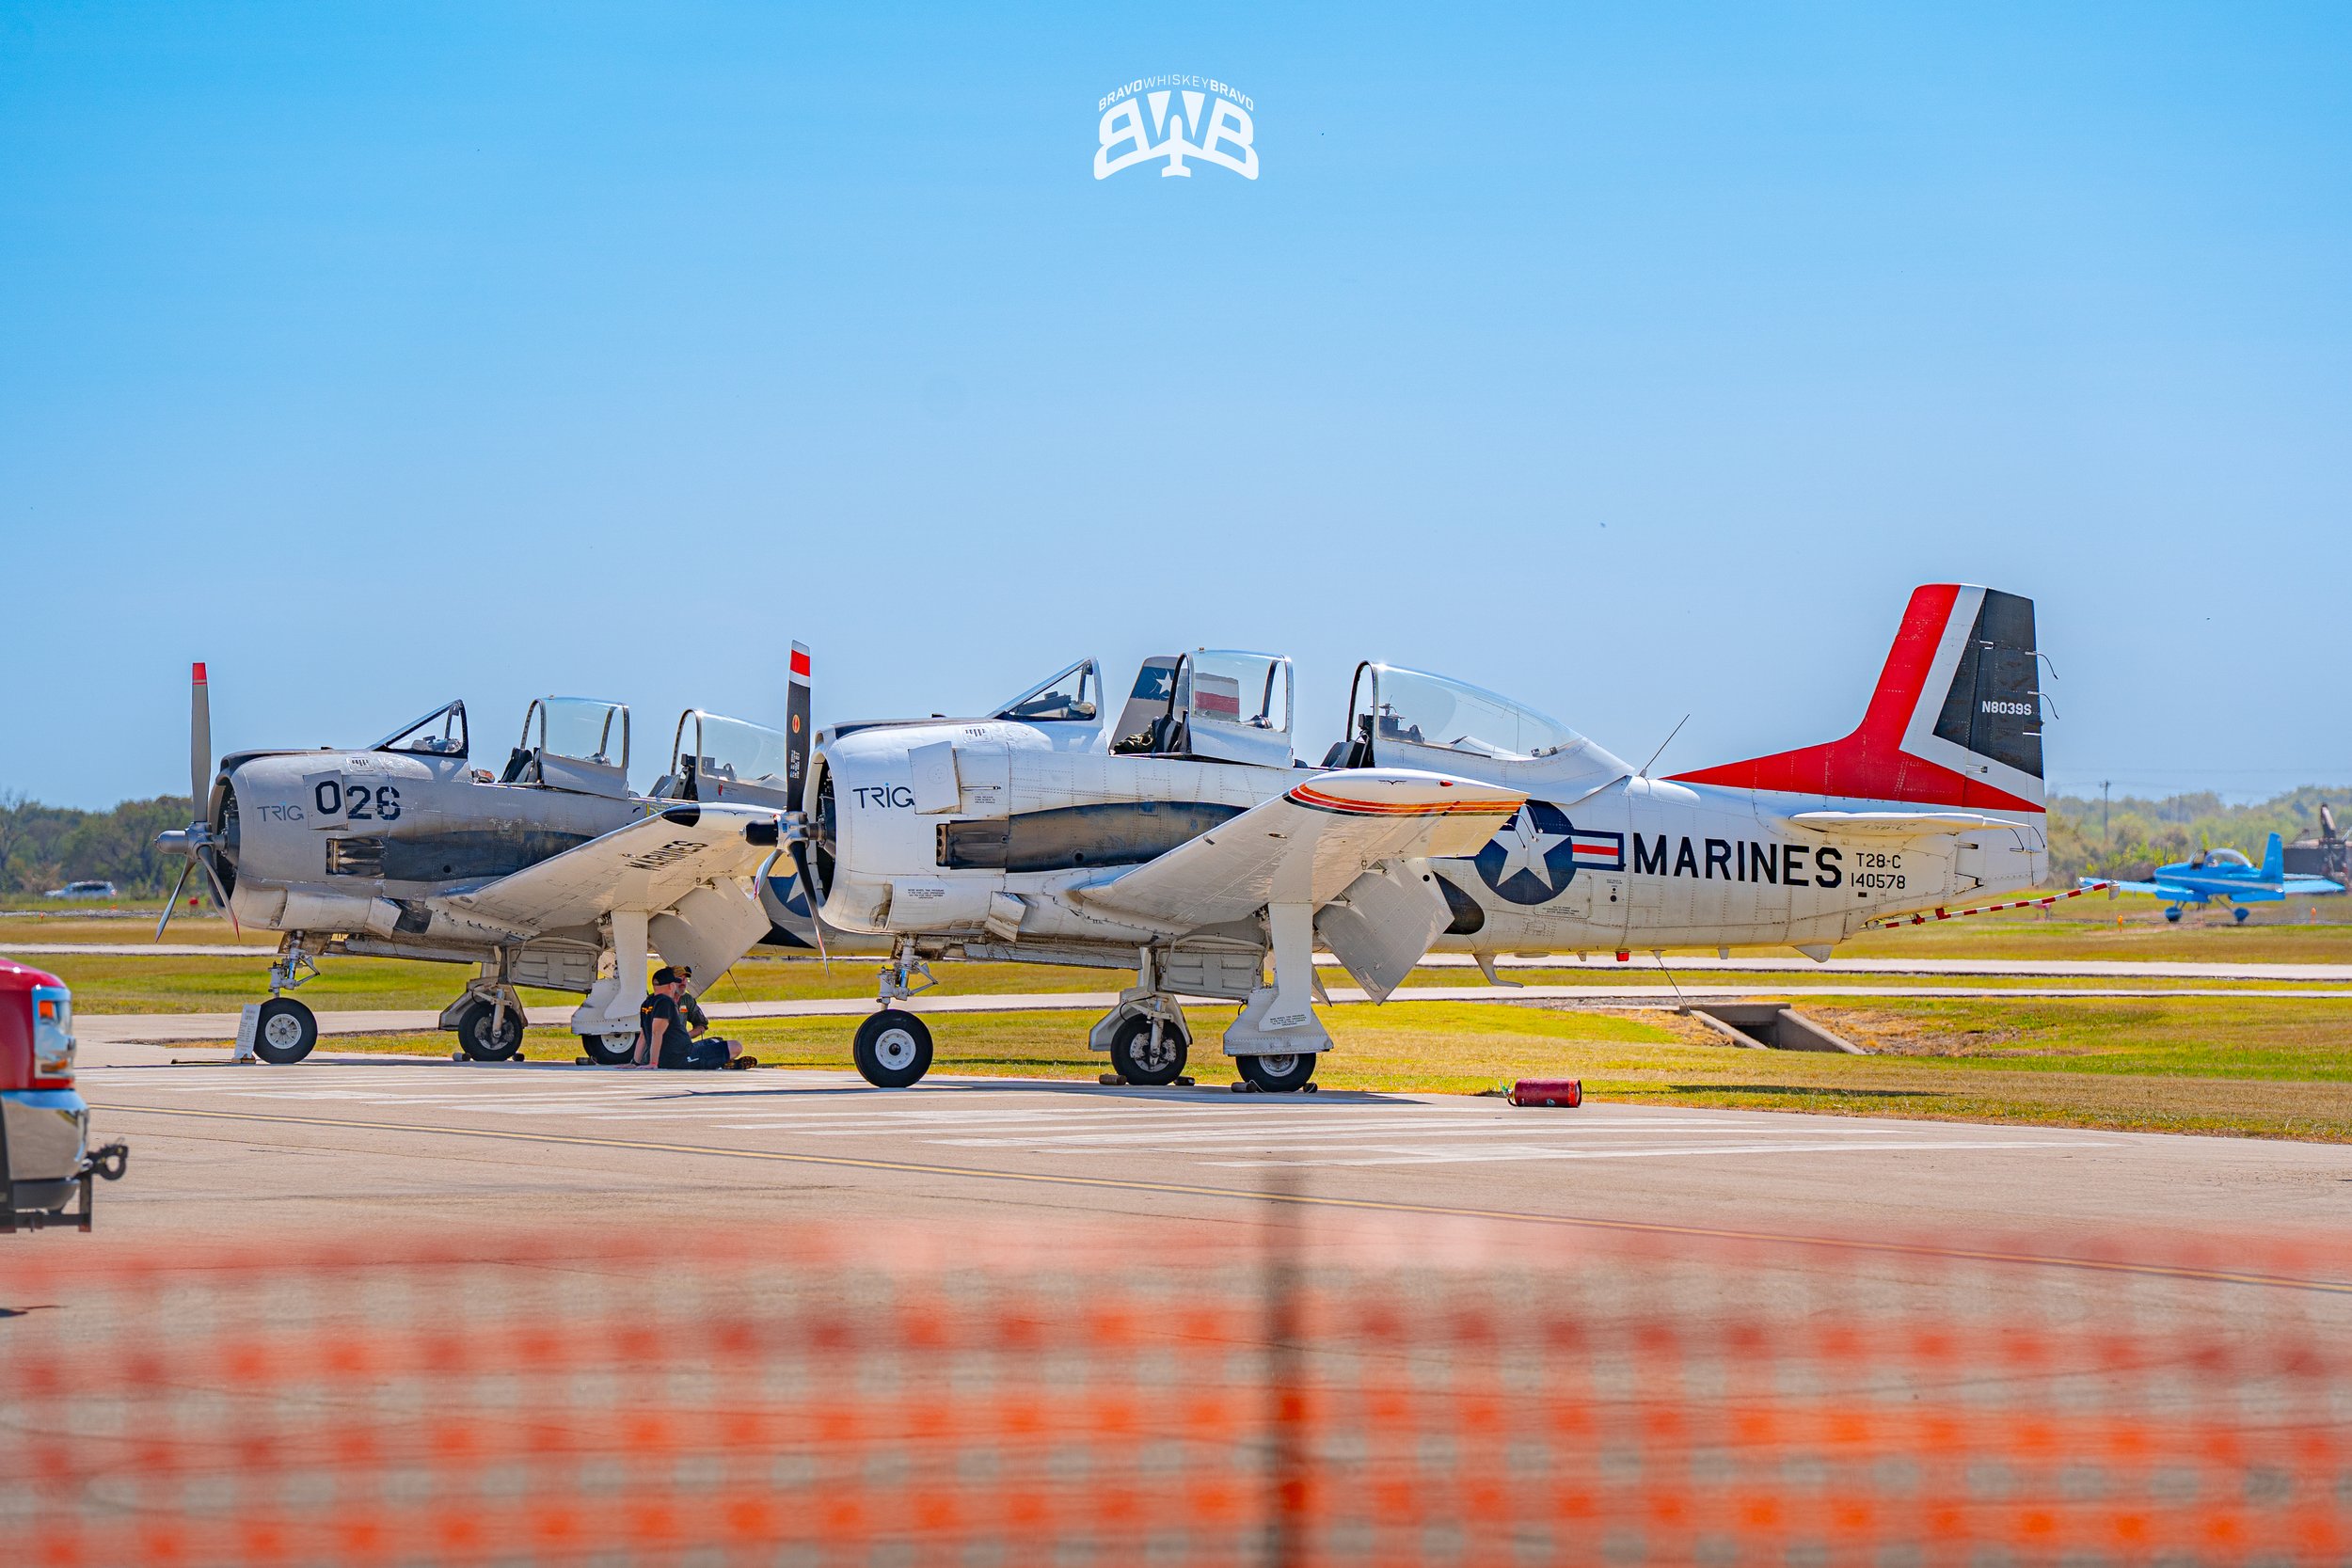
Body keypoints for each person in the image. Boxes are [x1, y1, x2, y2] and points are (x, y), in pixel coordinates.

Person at [636, 966, 752, 1070]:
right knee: (735, 1046)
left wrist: (635, 1062)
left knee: (715, 1041)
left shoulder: (652, 1002)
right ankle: (721, 1062)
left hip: (682, 1049)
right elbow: (656, 1033)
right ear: (671, 984)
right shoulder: (664, 1002)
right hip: (679, 1057)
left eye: (686, 979)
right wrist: (653, 1063)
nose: (683, 983)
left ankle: (723, 1062)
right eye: (679, 979)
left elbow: (701, 1025)